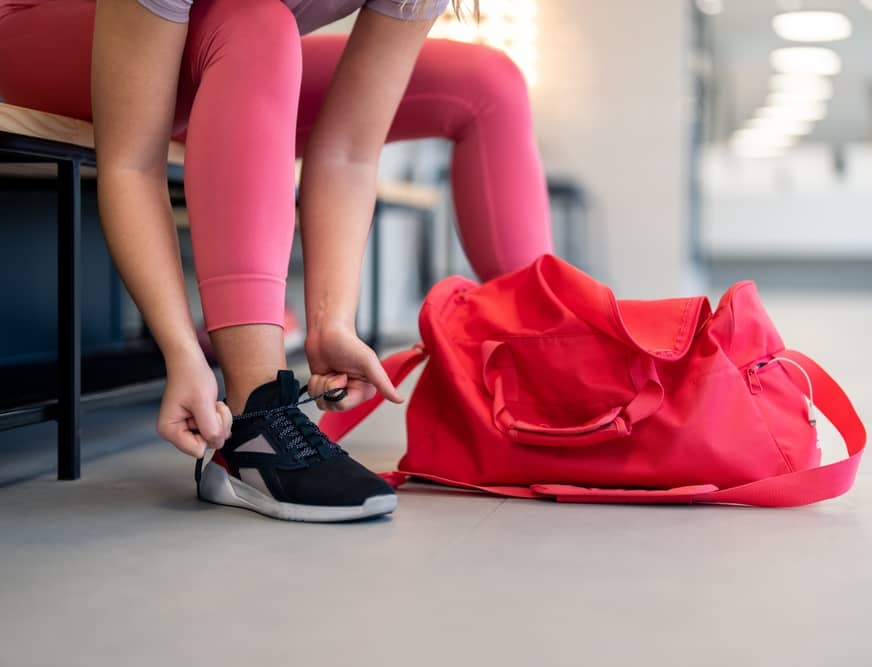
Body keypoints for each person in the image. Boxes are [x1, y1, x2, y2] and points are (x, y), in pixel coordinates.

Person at [0, 0, 553, 521]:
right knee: (257, 22)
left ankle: (549, 380)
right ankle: (255, 423)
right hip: (43, 35)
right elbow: (133, 162)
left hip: (227, 57)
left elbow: (348, 150)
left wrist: (331, 321)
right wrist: (181, 349)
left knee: (489, 82)